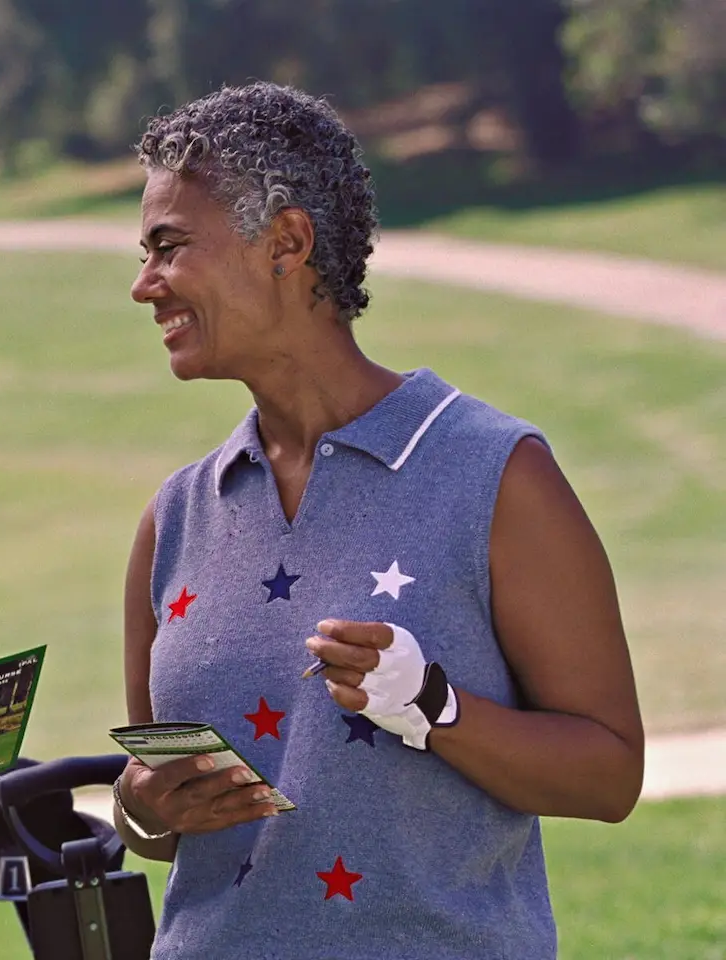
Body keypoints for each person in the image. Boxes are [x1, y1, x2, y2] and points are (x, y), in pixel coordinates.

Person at [109, 83, 643, 958]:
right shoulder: (176, 517)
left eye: (169, 247)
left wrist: (434, 706)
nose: (144, 285)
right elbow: (160, 817)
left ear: (287, 243)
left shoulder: (494, 473)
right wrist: (139, 809)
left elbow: (611, 773)